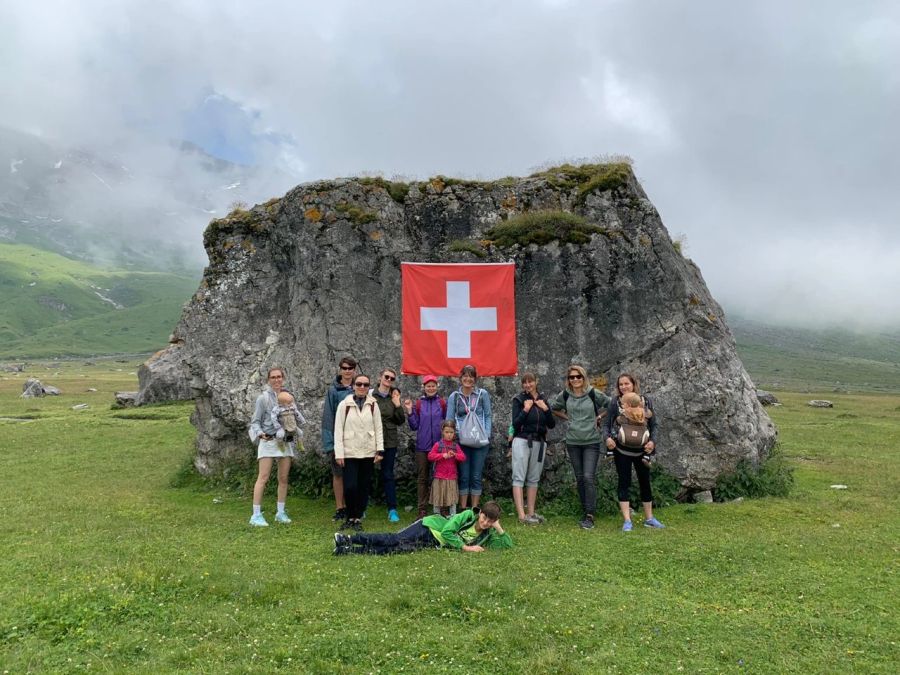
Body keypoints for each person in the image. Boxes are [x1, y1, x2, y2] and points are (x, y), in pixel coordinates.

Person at [603, 373, 665, 531]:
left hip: (642, 450)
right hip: (621, 450)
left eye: (626, 384)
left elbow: (654, 425)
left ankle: (649, 518)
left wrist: (652, 442)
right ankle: (627, 520)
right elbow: (607, 424)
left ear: (633, 384)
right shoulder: (615, 403)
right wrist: (607, 439)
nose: (623, 387)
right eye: (620, 385)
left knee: (645, 482)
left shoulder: (645, 402)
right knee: (624, 482)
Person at [551, 365, 610, 530]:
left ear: (583, 378)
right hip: (573, 441)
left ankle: (590, 515)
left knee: (588, 477)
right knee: (579, 478)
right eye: (572, 377)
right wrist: (567, 417)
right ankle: (585, 511)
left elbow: (611, 404)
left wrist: (599, 416)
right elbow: (554, 408)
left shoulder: (592, 393)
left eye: (578, 377)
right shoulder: (565, 395)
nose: (575, 380)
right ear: (568, 380)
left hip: (591, 440)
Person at [332, 501, 512, 555]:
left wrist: (499, 528)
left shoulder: (487, 534)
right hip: (428, 527)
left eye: (490, 521)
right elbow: (448, 532)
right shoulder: (466, 516)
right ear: (480, 514)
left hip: (432, 543)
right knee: (394, 539)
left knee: (395, 550)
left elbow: (506, 546)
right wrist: (466, 547)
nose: (486, 523)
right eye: (485, 518)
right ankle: (347, 539)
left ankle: (348, 551)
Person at [248, 367, 298, 526]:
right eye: (273, 377)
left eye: (279, 377)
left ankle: (281, 512)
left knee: (283, 478)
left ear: (283, 378)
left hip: (284, 441)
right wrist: (260, 433)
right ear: (268, 380)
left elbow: (294, 415)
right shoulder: (262, 398)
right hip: (268, 441)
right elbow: (255, 421)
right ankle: (255, 515)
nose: (276, 380)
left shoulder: (289, 396)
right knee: (263, 477)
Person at [334, 374, 383, 531]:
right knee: (350, 486)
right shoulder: (344, 405)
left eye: (365, 385)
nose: (362, 387)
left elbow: (378, 428)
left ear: (369, 387)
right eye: (359, 384)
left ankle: (357, 518)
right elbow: (338, 430)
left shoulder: (373, 405)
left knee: (363, 487)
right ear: (353, 386)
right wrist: (339, 453)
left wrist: (379, 450)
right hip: (350, 451)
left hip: (368, 451)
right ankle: (349, 516)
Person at [510, 372, 556, 524]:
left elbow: (551, 424)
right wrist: (525, 410)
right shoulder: (519, 400)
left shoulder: (543, 400)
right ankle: (521, 515)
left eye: (530, 382)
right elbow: (515, 424)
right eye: (525, 382)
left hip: (539, 442)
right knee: (519, 476)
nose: (528, 385)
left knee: (534, 478)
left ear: (536, 382)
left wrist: (546, 409)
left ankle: (531, 513)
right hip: (522, 440)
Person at [446, 365, 492, 511]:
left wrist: (487, 434)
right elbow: (449, 419)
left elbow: (488, 415)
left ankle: (475, 509)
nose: (468, 379)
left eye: (471, 376)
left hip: (480, 441)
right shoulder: (455, 396)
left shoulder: (482, 394)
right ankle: (463, 508)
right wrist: (451, 439)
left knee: (476, 476)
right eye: (465, 376)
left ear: (475, 379)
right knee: (464, 475)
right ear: (460, 378)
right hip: (462, 441)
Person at [404, 374, 446, 518]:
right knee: (423, 478)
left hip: (439, 447)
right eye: (428, 385)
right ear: (424, 387)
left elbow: (446, 423)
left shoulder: (441, 403)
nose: (431, 388)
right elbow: (414, 425)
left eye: (433, 385)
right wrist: (410, 411)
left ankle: (440, 507)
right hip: (422, 447)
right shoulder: (419, 404)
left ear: (437, 387)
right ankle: (422, 510)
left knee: (439, 477)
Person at [321, 357, 356, 521]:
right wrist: (330, 443)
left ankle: (353, 507)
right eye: (344, 368)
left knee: (354, 475)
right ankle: (339, 507)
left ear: (354, 370)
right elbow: (328, 416)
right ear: (340, 369)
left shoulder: (360, 387)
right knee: (338, 475)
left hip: (356, 439)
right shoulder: (333, 390)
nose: (347, 371)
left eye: (350, 368)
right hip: (338, 439)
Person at [372, 367, 407, 522]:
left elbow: (400, 420)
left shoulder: (395, 395)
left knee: (387, 474)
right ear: (380, 377)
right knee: (366, 473)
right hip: (371, 439)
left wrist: (397, 404)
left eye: (392, 378)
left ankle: (392, 509)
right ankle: (362, 506)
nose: (389, 380)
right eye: (387, 377)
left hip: (389, 441)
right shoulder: (370, 395)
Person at [428, 420, 466, 516]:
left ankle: (452, 516)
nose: (449, 435)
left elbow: (463, 457)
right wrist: (442, 455)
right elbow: (430, 456)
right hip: (439, 477)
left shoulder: (455, 446)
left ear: (454, 433)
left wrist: (455, 455)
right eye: (447, 432)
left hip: (451, 477)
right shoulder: (438, 445)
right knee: (437, 498)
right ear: (442, 432)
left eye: (451, 432)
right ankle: (436, 516)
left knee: (452, 499)